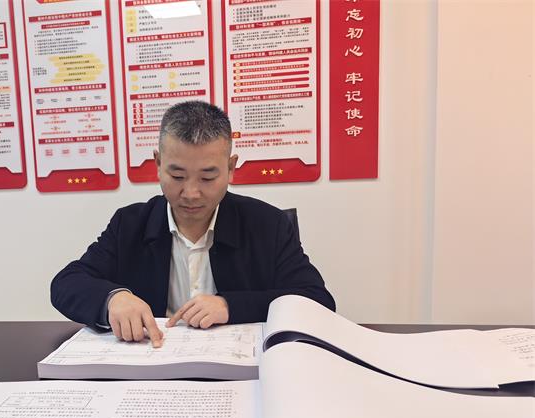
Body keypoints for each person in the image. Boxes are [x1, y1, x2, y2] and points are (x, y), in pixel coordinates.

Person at [51, 101, 334, 347]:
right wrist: (112, 299)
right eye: (177, 176)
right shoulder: (130, 224)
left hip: (238, 370)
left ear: (231, 168)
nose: (191, 193)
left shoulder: (267, 224)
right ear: (158, 164)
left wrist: (230, 306)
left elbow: (316, 300)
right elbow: (66, 283)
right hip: (153, 369)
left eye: (207, 178)